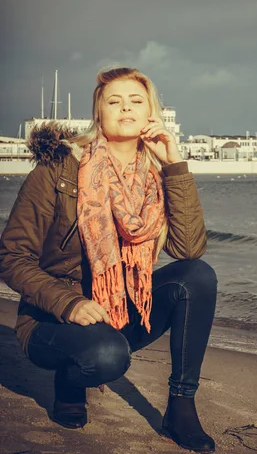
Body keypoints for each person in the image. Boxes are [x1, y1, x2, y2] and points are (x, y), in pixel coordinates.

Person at [0, 67, 217, 453]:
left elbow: (188, 251)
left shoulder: (155, 176)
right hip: (52, 318)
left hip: (120, 311)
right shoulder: (58, 169)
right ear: (98, 112)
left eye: (136, 101)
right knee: (105, 356)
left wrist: (175, 165)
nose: (125, 108)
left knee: (197, 277)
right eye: (113, 101)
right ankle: (71, 377)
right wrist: (70, 303)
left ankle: (181, 408)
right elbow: (12, 257)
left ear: (152, 113)